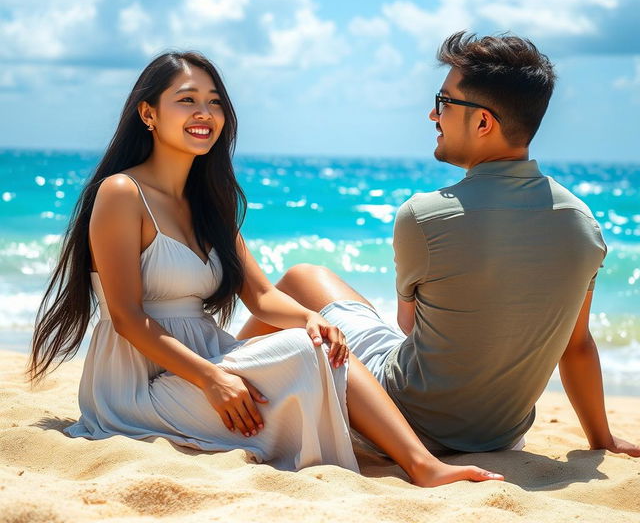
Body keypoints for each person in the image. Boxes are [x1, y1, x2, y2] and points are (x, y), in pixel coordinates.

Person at [28, 50, 504, 487]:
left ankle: (418, 460)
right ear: (148, 114)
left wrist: (312, 318)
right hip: (137, 386)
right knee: (303, 354)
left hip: (207, 362)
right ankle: (421, 465)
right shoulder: (121, 193)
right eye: (186, 100)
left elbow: (259, 295)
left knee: (316, 340)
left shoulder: (209, 202)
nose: (204, 113)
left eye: (214, 102)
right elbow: (128, 317)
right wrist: (210, 379)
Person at [239, 32, 640, 457]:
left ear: (483, 122)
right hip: (501, 436)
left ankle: (224, 369)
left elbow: (410, 327)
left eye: (444, 101)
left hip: (401, 420)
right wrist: (602, 440)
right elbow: (576, 346)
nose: (433, 114)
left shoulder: (424, 216)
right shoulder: (582, 225)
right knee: (344, 308)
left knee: (304, 278)